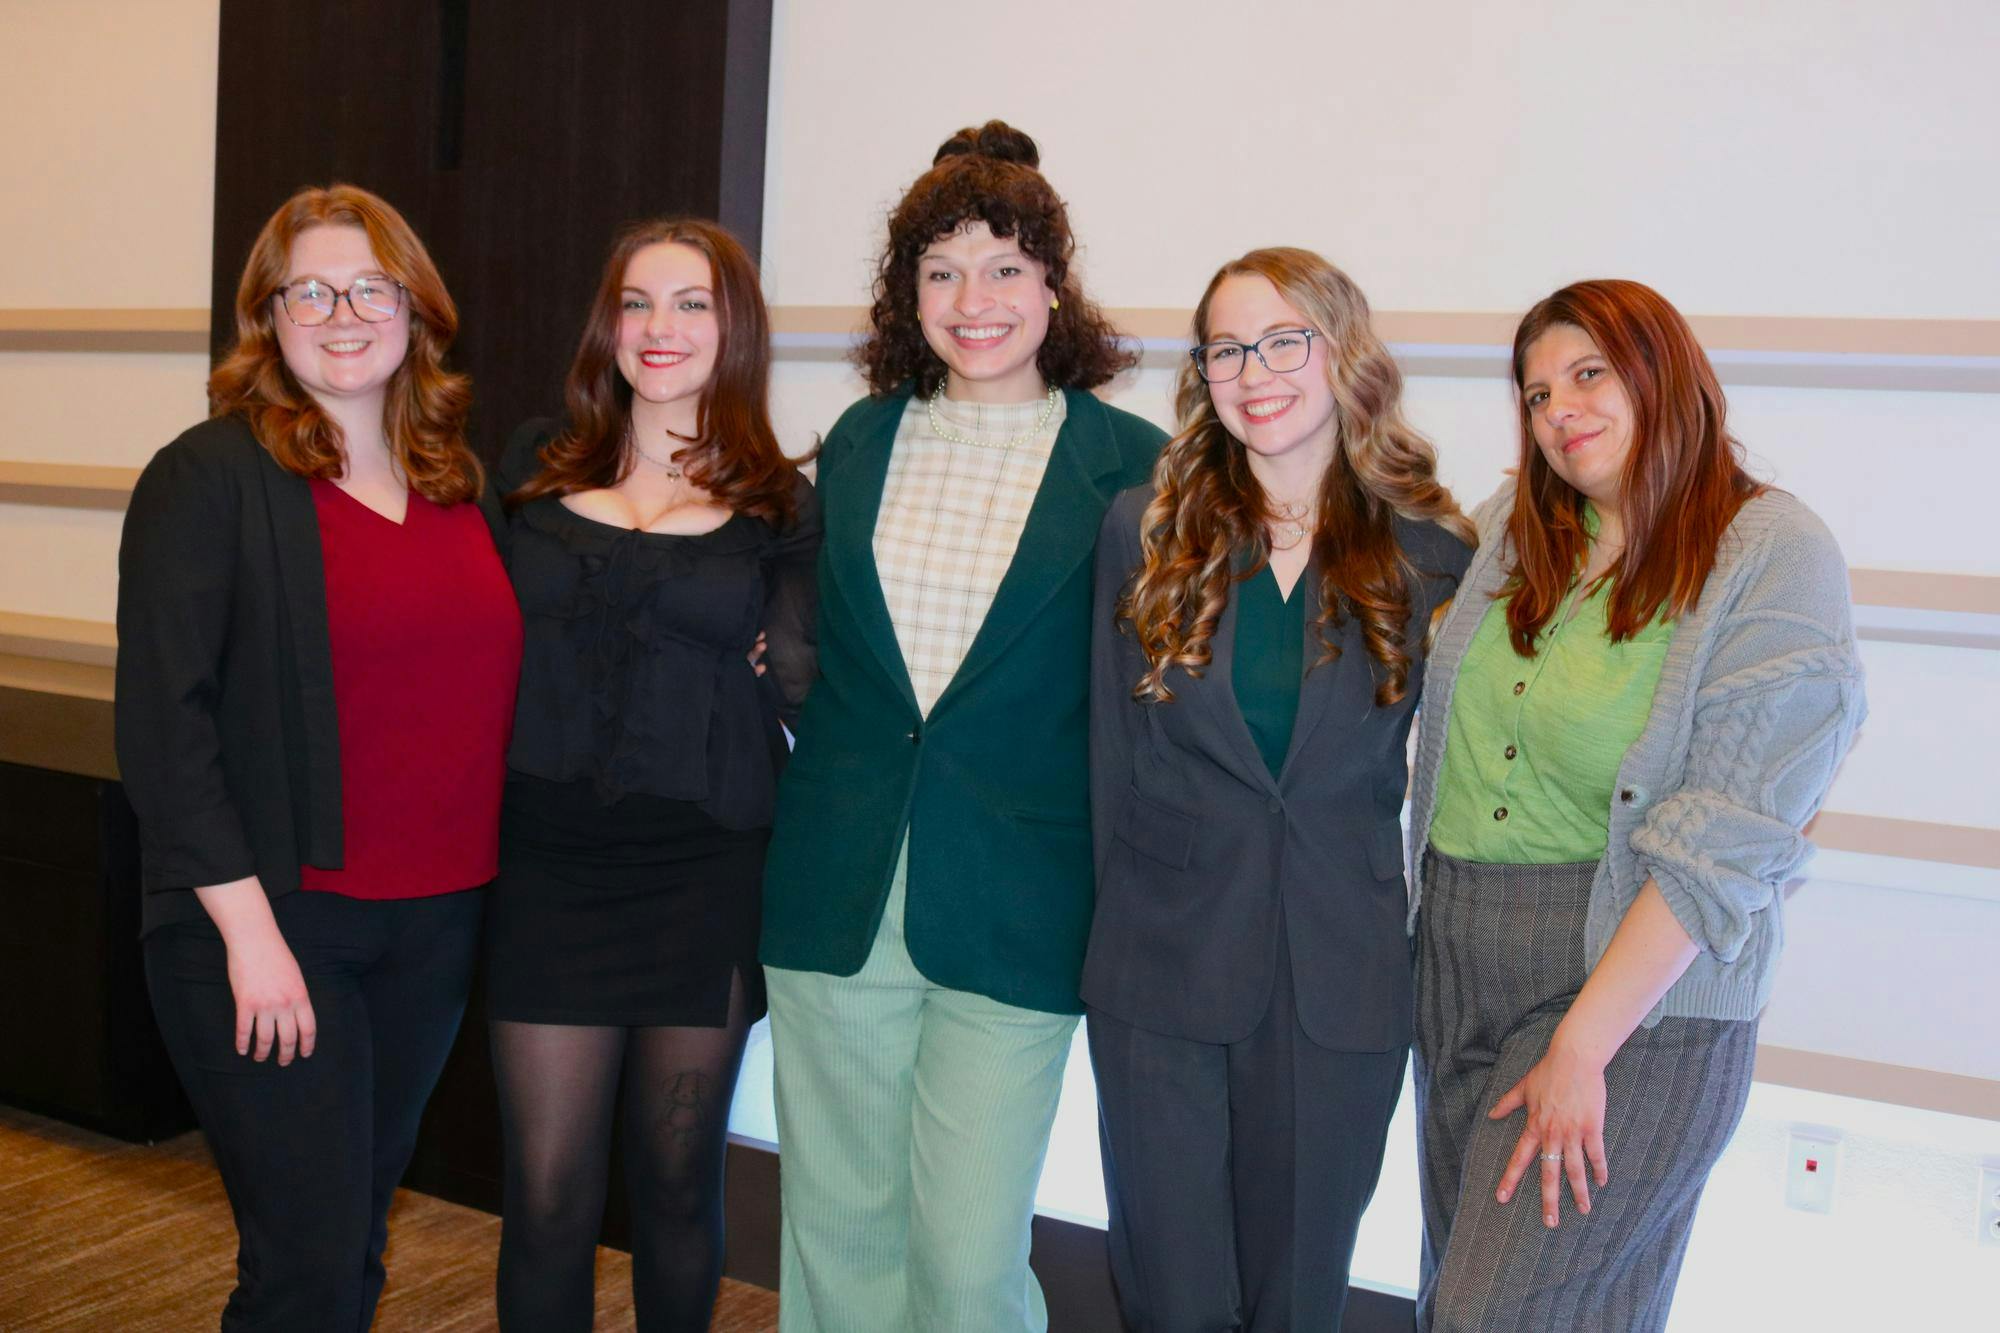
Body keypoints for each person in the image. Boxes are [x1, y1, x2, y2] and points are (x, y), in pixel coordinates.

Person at [756, 121, 1165, 1333]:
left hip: (1020, 901)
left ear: (1052, 285)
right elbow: (813, 646)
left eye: (1002, 268)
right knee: (836, 1232)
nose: (971, 298)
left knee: (967, 1256)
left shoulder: (1131, 468)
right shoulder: (861, 443)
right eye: (939, 272)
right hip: (839, 882)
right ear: (906, 296)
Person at [1407, 279, 1867, 1331]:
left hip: (1632, 989)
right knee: (1468, 1299)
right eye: (1532, 393)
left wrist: (1581, 1042)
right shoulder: (1513, 534)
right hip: (1452, 962)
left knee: (1488, 1316)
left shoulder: (1771, 551)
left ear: (1661, 372)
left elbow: (1725, 837)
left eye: (1586, 374)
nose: (1556, 408)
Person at [116, 184, 521, 1330]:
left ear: (415, 310)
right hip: (271, 928)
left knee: (349, 1246)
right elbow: (164, 725)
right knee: (304, 1263)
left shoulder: (458, 483)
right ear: (268, 316)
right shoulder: (209, 479)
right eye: (309, 290)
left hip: (433, 925)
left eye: (370, 287)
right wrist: (252, 939)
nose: (342, 313)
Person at [1086, 247, 1471, 1331]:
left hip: (1337, 983)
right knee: (1168, 1293)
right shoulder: (1144, 531)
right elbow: (1108, 761)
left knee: (1298, 1297)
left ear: (1341, 351)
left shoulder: (1431, 555)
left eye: (1281, 340)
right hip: (1158, 973)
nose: (1252, 370)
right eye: (1225, 347)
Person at [482, 217, 817, 1333]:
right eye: (636, 302)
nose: (658, 328)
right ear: (607, 325)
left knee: (676, 1187)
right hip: (543, 870)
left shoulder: (780, 504)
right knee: (542, 1195)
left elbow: (815, 690)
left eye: (691, 304)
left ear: (734, 329)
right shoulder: (531, 465)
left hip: (701, 878)